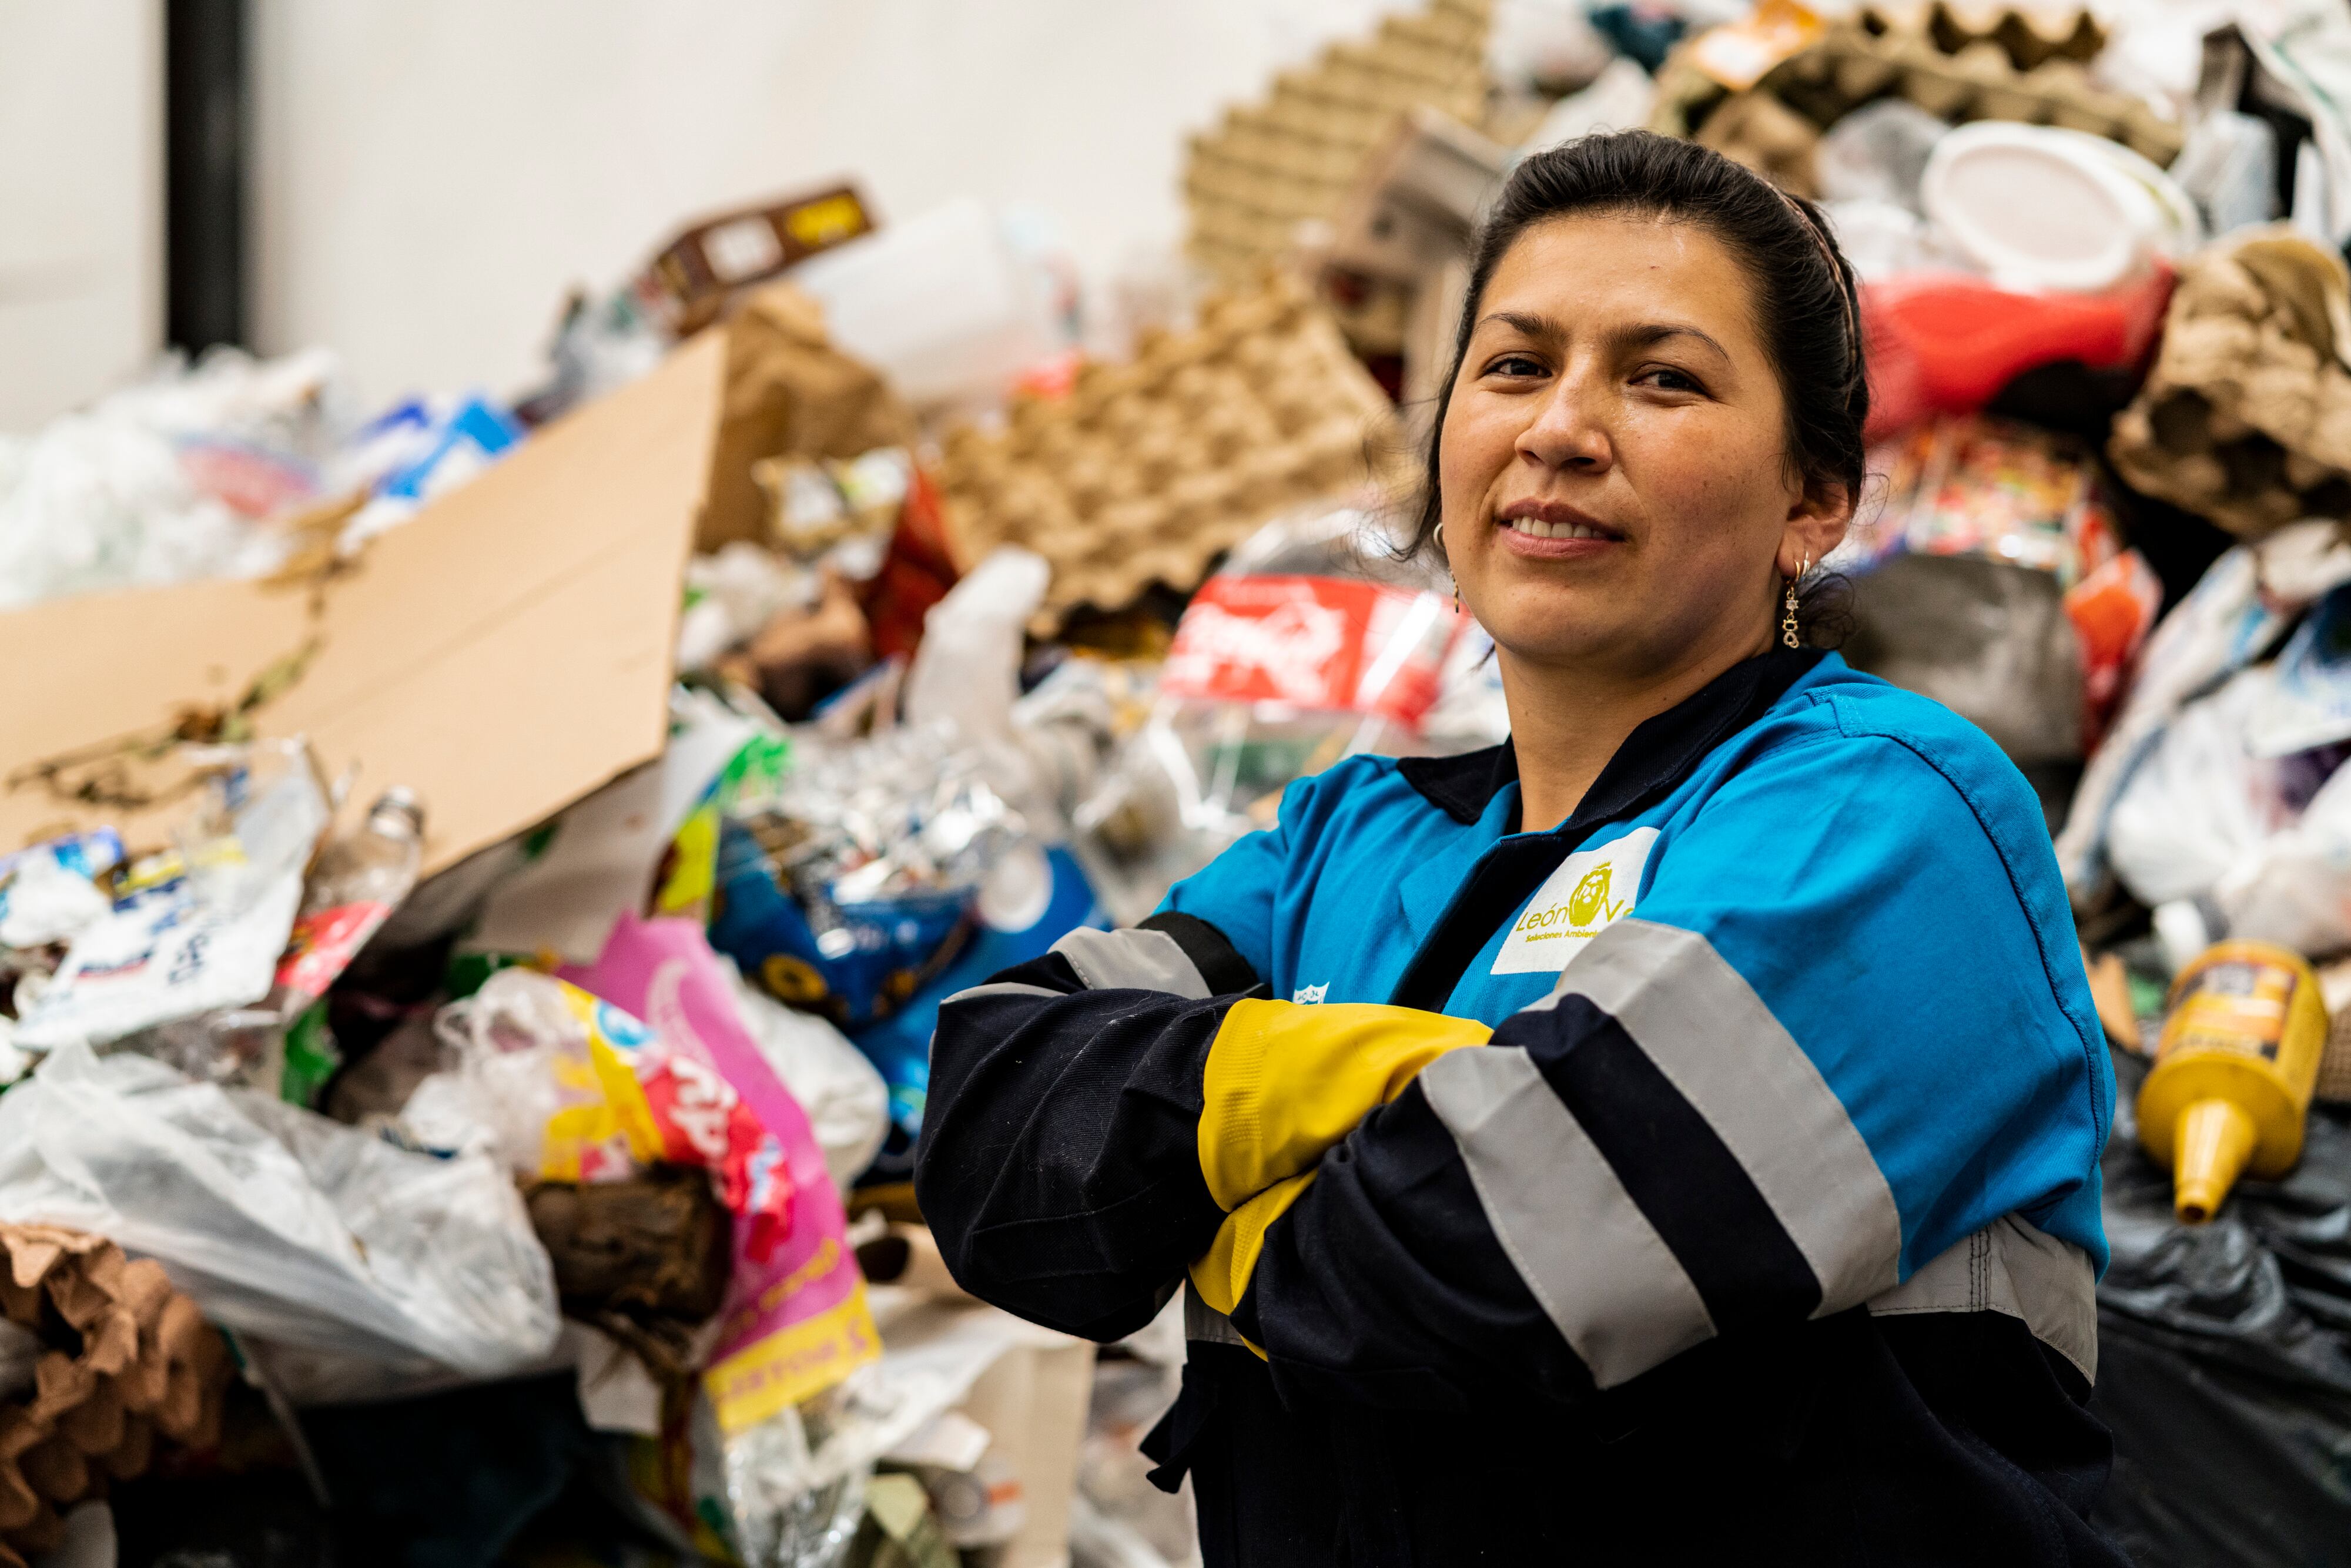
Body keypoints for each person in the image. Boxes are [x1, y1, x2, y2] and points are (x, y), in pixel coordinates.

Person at [915, 130, 2123, 1566]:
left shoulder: (1890, 810)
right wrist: (1342, 1083)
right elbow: (995, 1133)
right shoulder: (1345, 836)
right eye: (1512, 365)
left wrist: (1195, 1194)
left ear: (1813, 502)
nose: (1559, 425)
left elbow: (1504, 1264)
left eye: (1660, 375)